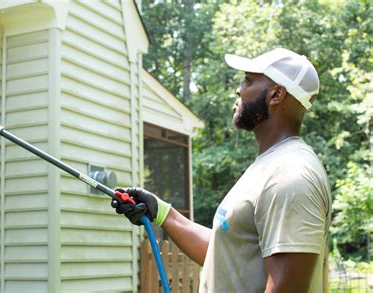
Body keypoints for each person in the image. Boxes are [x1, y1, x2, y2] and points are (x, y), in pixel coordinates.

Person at [112, 48, 332, 292]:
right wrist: (162, 213)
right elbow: (227, 255)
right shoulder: (267, 167)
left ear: (276, 94)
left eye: (248, 79)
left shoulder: (290, 175)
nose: (239, 89)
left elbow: (286, 288)